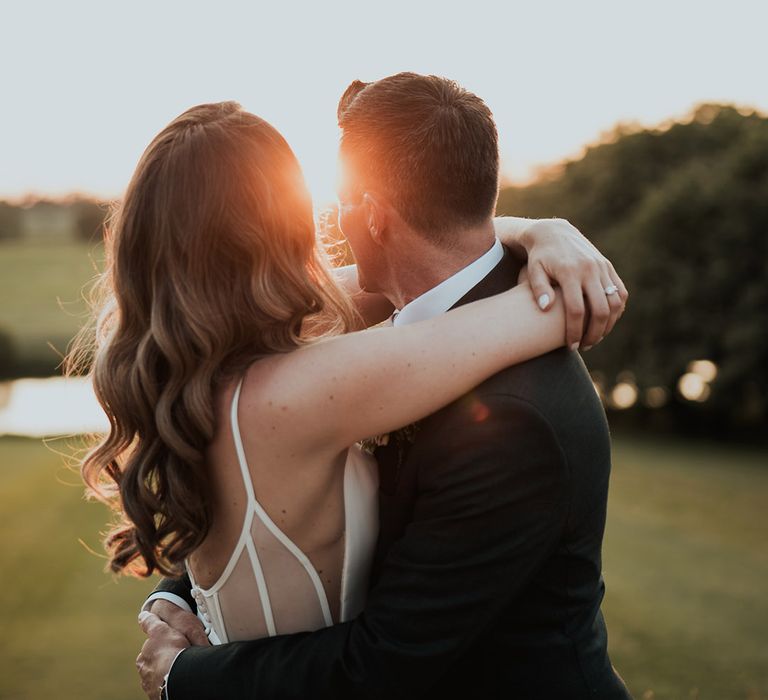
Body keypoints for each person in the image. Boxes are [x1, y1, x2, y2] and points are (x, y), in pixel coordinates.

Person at [125, 77, 628, 699]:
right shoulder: (339, 351)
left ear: (374, 215)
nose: (331, 221)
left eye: (339, 201)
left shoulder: (512, 415)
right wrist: (550, 238)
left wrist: (182, 677)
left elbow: (384, 666)